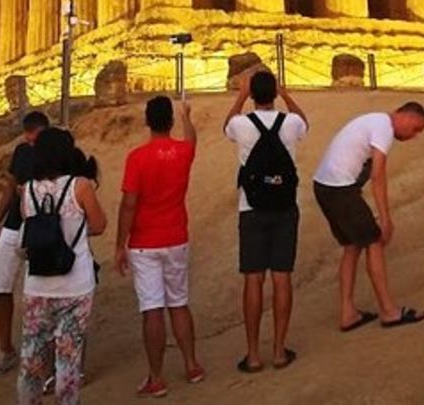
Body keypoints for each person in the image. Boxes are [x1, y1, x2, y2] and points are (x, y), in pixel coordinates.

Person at [114, 96, 205, 398]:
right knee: (178, 302)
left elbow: (129, 204)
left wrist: (119, 243)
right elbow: (191, 138)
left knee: (152, 309)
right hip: (176, 236)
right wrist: (187, 116)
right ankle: (191, 364)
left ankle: (156, 377)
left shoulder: (137, 158)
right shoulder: (182, 152)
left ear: (147, 121)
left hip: (144, 242)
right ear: (169, 121)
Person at [312, 104, 424, 333]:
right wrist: (385, 218)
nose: (413, 136)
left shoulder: (374, 121)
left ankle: (348, 313)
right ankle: (388, 310)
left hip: (324, 185)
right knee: (373, 242)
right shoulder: (383, 127)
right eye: (415, 129)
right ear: (405, 116)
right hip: (340, 188)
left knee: (352, 245)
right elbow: (378, 176)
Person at [223, 71, 310, 372]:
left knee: (253, 278)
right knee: (282, 277)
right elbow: (303, 121)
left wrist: (240, 95)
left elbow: (227, 125)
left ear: (252, 94)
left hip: (252, 207)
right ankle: (279, 352)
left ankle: (253, 354)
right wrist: (286, 95)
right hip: (286, 206)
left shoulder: (241, 125)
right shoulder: (291, 124)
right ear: (274, 93)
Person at [18, 127, 108, 405]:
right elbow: (99, 225)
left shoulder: (28, 189)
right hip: (74, 284)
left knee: (32, 357)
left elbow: (29, 232)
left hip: (38, 284)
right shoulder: (80, 186)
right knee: (68, 357)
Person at [0, 111, 51, 379]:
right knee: (2, 288)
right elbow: (10, 187)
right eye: (31, 137)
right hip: (14, 224)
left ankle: (40, 352)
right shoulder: (22, 151)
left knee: (38, 293)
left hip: (40, 226)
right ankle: (5, 349)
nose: (33, 141)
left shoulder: (55, 152)